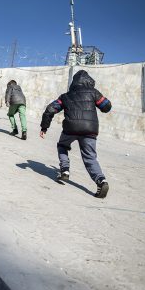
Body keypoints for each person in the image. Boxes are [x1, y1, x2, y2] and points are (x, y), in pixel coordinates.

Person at [40, 70, 112, 198]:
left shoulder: (65, 96)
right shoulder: (93, 92)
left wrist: (44, 127)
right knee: (90, 157)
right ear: (88, 81)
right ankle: (101, 180)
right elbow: (106, 106)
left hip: (70, 128)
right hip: (90, 130)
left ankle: (65, 170)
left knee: (62, 146)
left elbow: (50, 109)